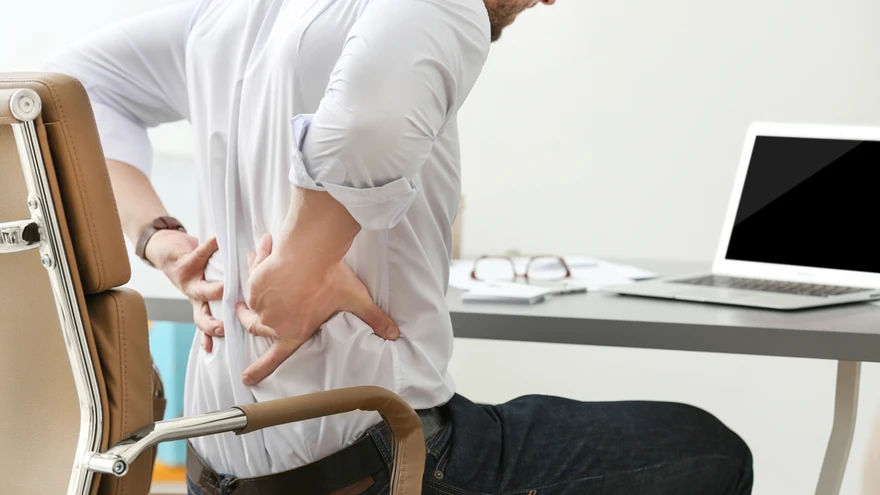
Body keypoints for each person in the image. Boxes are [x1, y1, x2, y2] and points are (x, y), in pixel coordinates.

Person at [46, 0, 753, 493]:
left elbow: (68, 90)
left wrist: (160, 239)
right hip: (379, 466)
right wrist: (300, 267)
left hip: (216, 469)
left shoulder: (231, 15)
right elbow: (371, 126)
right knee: (709, 451)